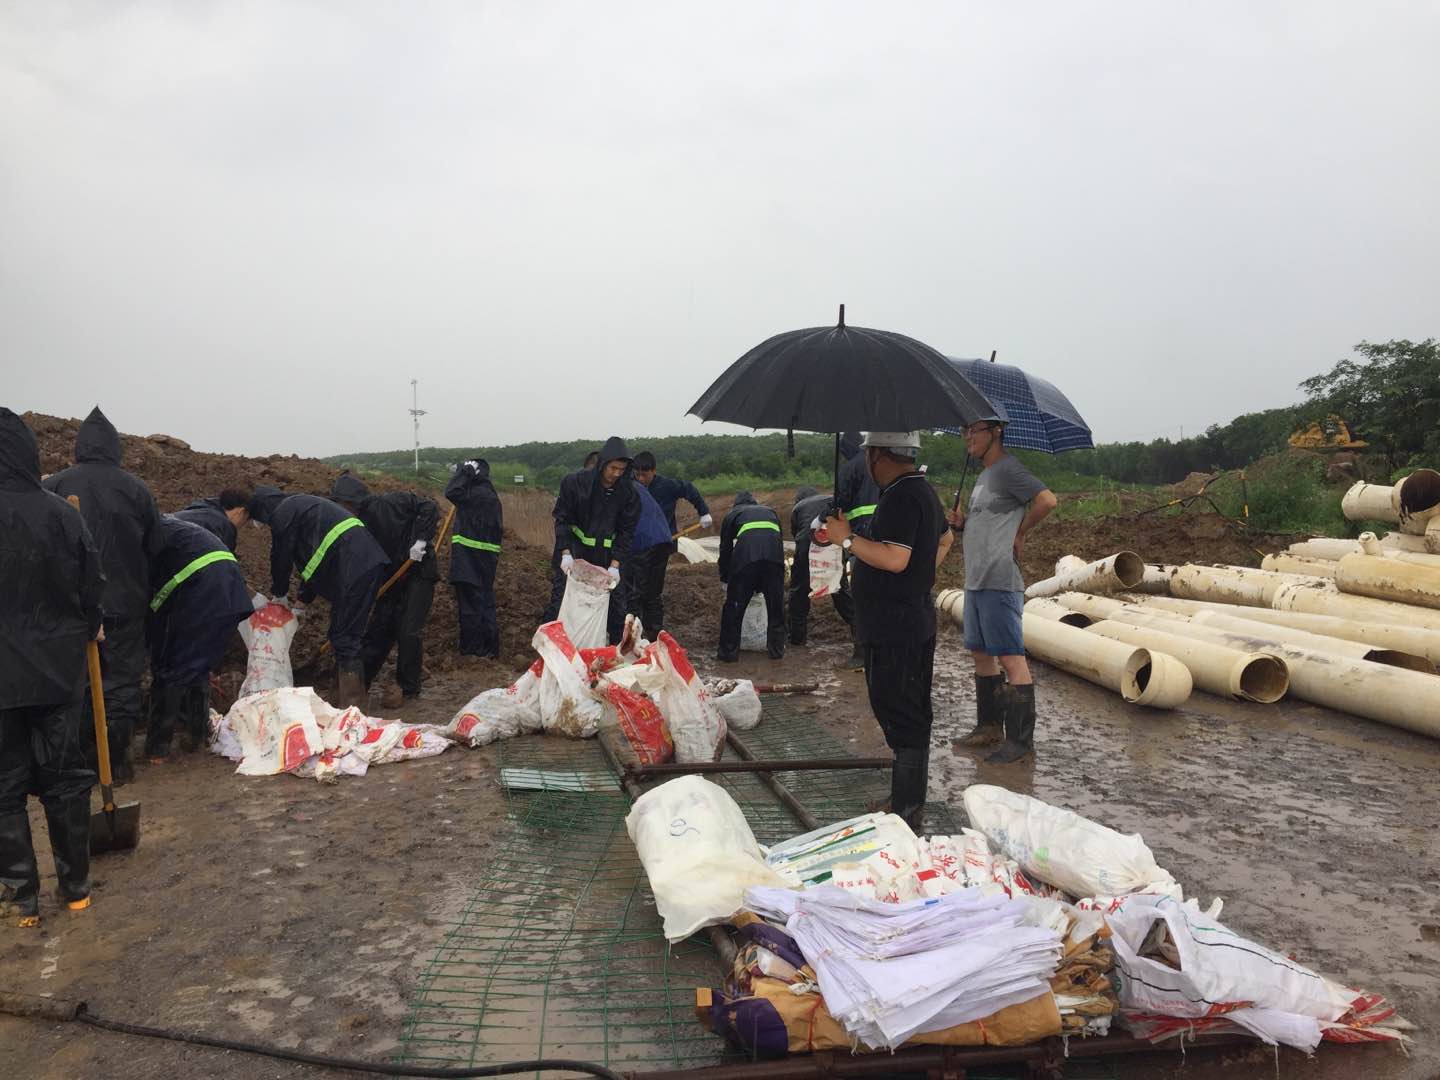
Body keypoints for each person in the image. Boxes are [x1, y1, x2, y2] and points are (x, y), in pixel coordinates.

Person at [0, 408, 104, 926]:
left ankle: (21, 899)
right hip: (59, 672)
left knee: (3, 787)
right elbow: (92, 583)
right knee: (63, 780)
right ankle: (76, 888)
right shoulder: (63, 513)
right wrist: (93, 622)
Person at [823, 432, 952, 832]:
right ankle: (904, 797)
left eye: (867, 457)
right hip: (908, 620)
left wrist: (848, 539)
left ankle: (908, 810)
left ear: (878, 455)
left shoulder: (899, 496)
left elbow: (895, 558)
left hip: (896, 627)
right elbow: (944, 539)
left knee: (902, 713)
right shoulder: (921, 491)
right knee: (907, 711)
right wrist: (921, 576)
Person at [42, 406, 162, 784]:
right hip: (125, 604)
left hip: (72, 608)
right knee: (122, 683)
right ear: (114, 449)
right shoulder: (136, 489)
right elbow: (156, 545)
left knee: (77, 682)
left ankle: (83, 762)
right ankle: (119, 763)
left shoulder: (56, 486)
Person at [949, 415, 1058, 765]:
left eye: (974, 430)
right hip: (977, 580)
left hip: (999, 579)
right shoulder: (983, 476)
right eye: (965, 430)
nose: (968, 437)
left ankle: (1020, 740)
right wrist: (963, 523)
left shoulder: (1010, 469)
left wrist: (1021, 531)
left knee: (1011, 657)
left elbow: (1047, 500)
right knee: (982, 654)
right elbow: (990, 520)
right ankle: (989, 727)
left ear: (996, 432)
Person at [248, 484, 388, 708]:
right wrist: (301, 603)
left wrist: (280, 595)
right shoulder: (304, 507)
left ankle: (353, 709)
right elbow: (315, 561)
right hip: (361, 565)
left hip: (353, 567)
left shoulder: (284, 512)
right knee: (342, 634)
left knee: (345, 637)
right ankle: (339, 703)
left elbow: (280, 556)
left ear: (262, 511)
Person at [145, 515, 253, 759]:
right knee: (197, 665)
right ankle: (196, 736)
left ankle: (158, 748)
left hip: (203, 588)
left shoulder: (141, 534)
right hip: (230, 588)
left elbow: (141, 590)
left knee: (169, 667)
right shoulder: (173, 528)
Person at [330, 472, 439, 707]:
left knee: (409, 630)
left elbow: (430, 507)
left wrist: (421, 540)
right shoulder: (354, 526)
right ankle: (360, 683)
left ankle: (409, 690)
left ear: (352, 501)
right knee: (379, 630)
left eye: (343, 504)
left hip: (418, 572)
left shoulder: (392, 502)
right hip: (390, 579)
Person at [544, 437, 640, 644]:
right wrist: (565, 553)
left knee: (616, 606)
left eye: (621, 469)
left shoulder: (628, 493)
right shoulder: (576, 484)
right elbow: (562, 520)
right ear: (603, 463)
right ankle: (551, 648)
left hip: (607, 558)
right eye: (613, 467)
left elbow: (626, 533)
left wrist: (615, 566)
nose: (616, 473)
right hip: (575, 554)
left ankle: (614, 654)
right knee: (562, 601)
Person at [629, 451, 711, 638]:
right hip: (638, 547)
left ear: (654, 471)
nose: (641, 479)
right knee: (636, 590)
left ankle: (655, 631)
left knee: (654, 590)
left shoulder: (666, 486)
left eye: (645, 474)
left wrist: (703, 511)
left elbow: (689, 489)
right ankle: (634, 633)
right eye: (638, 474)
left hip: (660, 545)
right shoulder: (631, 487)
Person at [445, 459, 503, 661]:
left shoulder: (475, 494)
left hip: (469, 559)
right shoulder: (489, 494)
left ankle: (473, 651)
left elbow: (451, 491)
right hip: (484, 560)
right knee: (484, 602)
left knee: (471, 607)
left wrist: (464, 473)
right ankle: (490, 649)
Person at [716, 492, 785, 662]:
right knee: (776, 608)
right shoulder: (770, 512)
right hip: (774, 561)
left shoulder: (733, 514)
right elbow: (779, 541)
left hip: (746, 562)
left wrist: (725, 577)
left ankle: (728, 654)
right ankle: (776, 652)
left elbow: (725, 549)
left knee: (734, 608)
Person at [833, 431, 878, 669]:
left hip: (860, 539)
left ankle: (861, 654)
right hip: (883, 538)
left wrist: (824, 518)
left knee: (861, 597)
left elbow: (841, 504)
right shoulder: (878, 462)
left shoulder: (850, 468)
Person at [621, 479, 676, 640]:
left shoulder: (619, 487)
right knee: (653, 593)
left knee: (633, 592)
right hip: (662, 540)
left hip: (642, 542)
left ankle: (631, 641)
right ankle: (656, 638)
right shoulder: (635, 485)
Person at [787, 485, 837, 645]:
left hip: (806, 545)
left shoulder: (798, 507)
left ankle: (797, 639)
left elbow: (796, 534)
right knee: (840, 589)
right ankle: (859, 640)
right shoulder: (830, 499)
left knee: (799, 591)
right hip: (832, 543)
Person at [173, 488, 252, 551]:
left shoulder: (193, 512)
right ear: (241, 512)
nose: (240, 527)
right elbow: (221, 566)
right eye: (244, 520)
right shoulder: (223, 527)